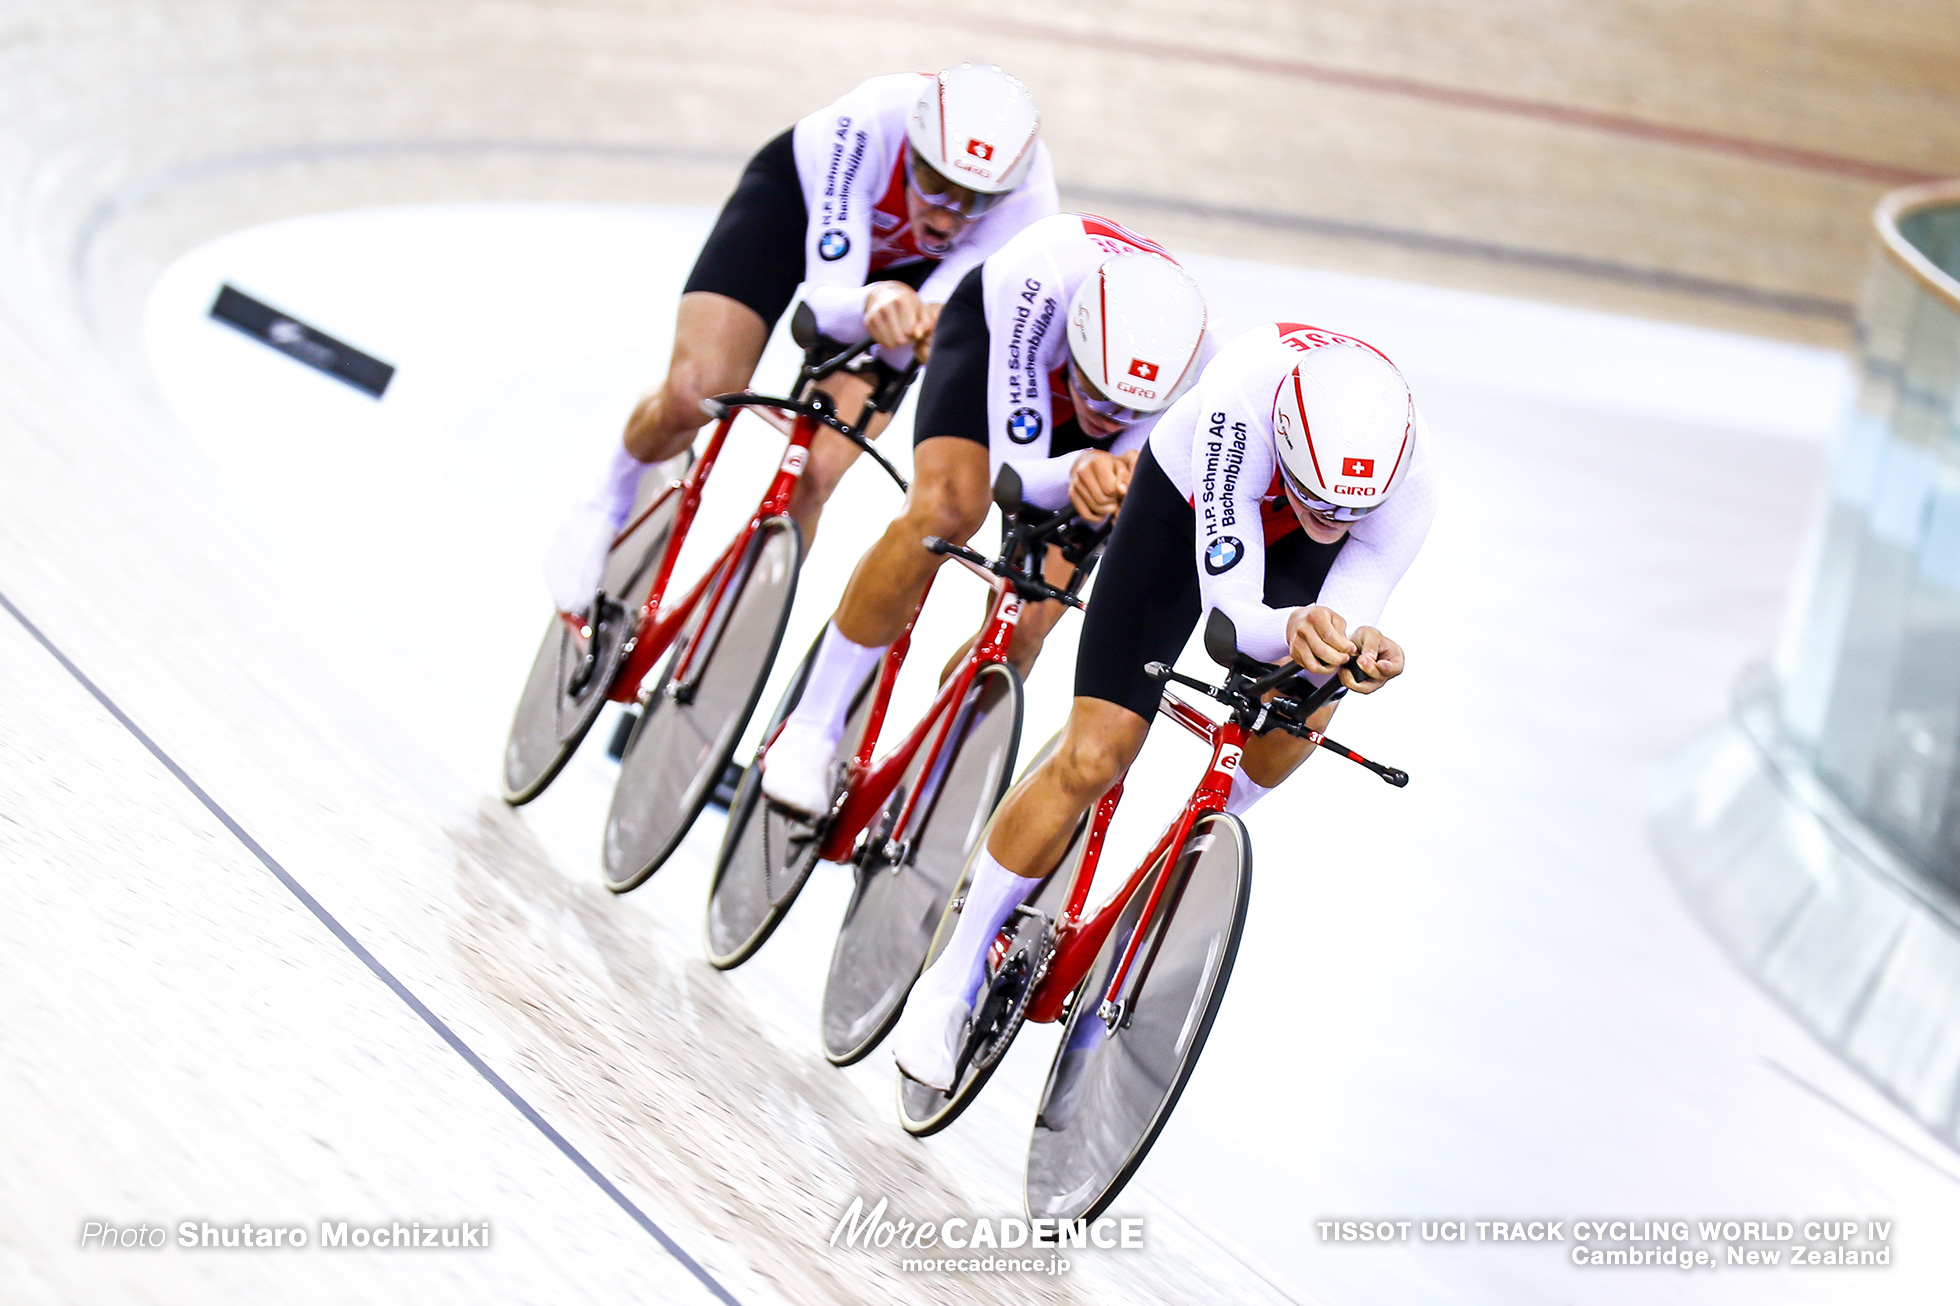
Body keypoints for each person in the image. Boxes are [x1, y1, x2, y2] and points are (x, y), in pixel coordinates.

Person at [888, 322, 1440, 1090]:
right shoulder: (1239, 408)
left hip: (1291, 541)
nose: (1332, 517)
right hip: (1187, 505)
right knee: (1096, 754)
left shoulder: (1403, 494)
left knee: (1303, 718)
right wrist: (1287, 626)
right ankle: (949, 978)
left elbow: (1342, 612)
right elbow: (1228, 621)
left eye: (1351, 511)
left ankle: (1186, 850)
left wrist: (1352, 651)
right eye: (1315, 498)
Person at [544, 64, 1058, 615]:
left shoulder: (1027, 209)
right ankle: (608, 495)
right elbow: (823, 304)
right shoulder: (869, 123)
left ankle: (730, 629)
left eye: (974, 200)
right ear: (911, 151)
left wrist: (924, 329)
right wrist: (870, 303)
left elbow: (946, 321)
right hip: (798, 208)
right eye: (934, 185)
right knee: (698, 389)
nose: (946, 214)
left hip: (907, 280)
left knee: (819, 468)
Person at [757, 211, 1213, 818]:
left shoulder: (1202, 368)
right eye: (1095, 392)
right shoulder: (1034, 285)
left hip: (1116, 414)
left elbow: (1136, 469)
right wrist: (1079, 469)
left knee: (1026, 626)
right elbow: (1016, 476)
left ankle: (924, 781)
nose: (1104, 414)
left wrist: (1117, 470)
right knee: (946, 511)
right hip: (997, 348)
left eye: (1125, 406)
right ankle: (811, 726)